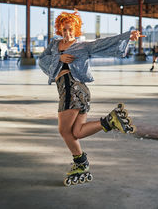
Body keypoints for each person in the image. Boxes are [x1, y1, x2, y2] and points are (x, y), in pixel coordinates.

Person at [39, 10, 143, 186]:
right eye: (64, 29)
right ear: (59, 29)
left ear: (76, 29)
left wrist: (127, 36)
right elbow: (42, 61)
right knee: (76, 132)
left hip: (72, 88)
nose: (67, 33)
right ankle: (110, 121)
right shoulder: (53, 45)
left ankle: (81, 163)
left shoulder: (82, 46)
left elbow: (103, 43)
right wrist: (60, 57)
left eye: (70, 29)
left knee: (64, 131)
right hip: (73, 91)